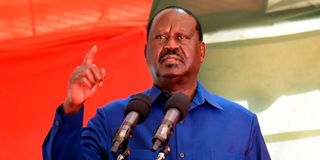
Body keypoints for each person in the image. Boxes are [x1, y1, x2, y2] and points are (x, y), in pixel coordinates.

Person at [43, 6, 271, 160]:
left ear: (201, 51)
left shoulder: (241, 123)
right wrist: (72, 108)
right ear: (146, 52)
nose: (171, 44)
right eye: (160, 38)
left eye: (181, 37)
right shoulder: (112, 119)